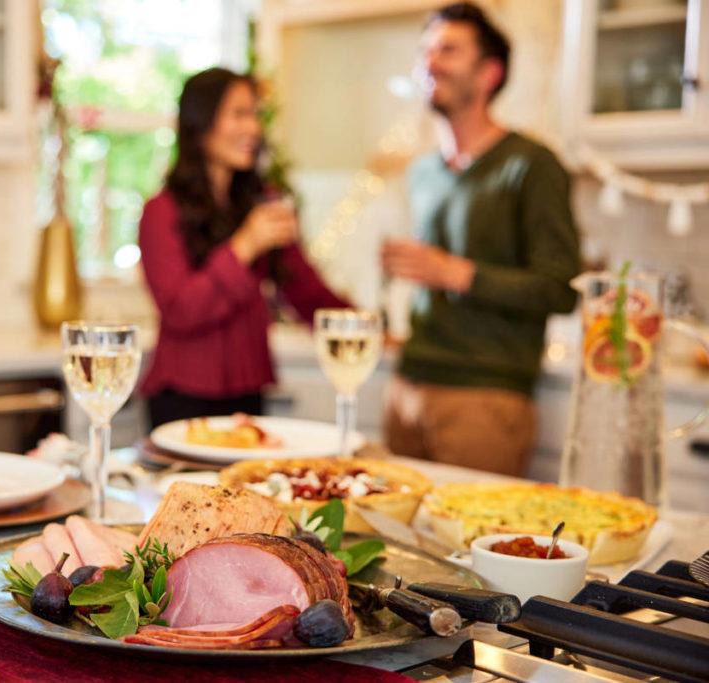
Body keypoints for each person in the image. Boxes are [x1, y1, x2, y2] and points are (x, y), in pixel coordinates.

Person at [381, 2, 581, 476]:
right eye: (425, 50)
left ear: (490, 72)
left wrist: (454, 272)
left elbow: (560, 288)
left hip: (484, 398)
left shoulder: (531, 165)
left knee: (470, 549)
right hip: (407, 388)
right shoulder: (423, 171)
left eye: (448, 50)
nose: (429, 62)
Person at [139, 67, 348, 429]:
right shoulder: (161, 211)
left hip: (248, 391)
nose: (253, 128)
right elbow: (180, 310)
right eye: (239, 114)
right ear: (200, 123)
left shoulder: (262, 204)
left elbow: (305, 289)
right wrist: (244, 245)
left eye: (255, 114)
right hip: (183, 396)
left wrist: (360, 328)